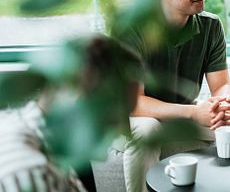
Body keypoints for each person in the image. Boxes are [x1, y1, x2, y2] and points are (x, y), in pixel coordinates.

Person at [121, 0, 230, 192]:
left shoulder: (210, 25)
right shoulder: (134, 29)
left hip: (181, 112)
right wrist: (194, 113)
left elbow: (221, 84)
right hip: (135, 117)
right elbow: (134, 103)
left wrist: (222, 104)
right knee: (147, 128)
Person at [0, 35, 142, 192]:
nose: (122, 130)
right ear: (76, 94)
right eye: (113, 118)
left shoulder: (47, 147)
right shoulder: (32, 174)